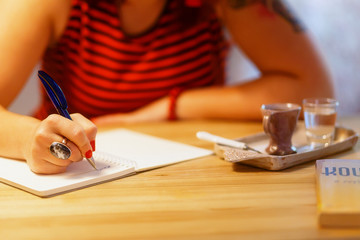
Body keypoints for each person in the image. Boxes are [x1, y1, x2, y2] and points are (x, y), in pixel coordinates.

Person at [0, 0, 334, 174]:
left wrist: (171, 107)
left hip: (193, 174)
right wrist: (31, 139)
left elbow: (311, 88)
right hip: (76, 173)